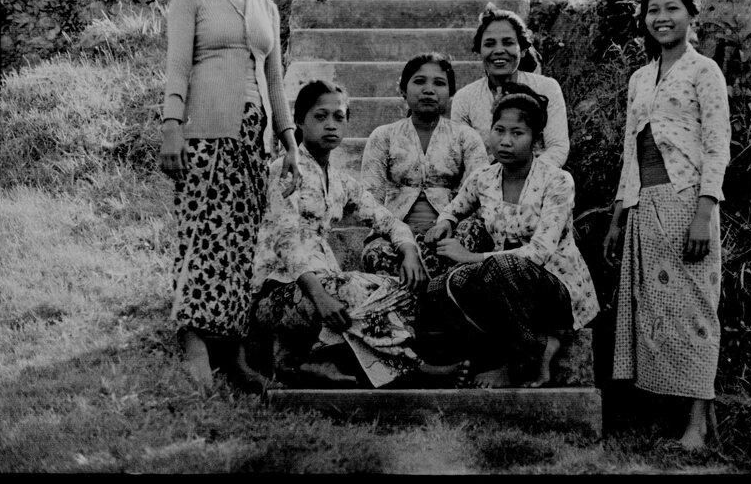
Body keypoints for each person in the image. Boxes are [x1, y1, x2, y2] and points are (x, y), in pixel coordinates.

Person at [159, 0, 300, 392]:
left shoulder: (266, 8)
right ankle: (193, 341)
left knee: (240, 246)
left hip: (252, 142)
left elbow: (275, 80)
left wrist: (289, 142)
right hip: (202, 134)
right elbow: (178, 66)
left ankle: (234, 352)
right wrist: (171, 125)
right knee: (202, 236)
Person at [250, 80, 469, 389]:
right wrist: (320, 296)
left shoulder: (341, 181)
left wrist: (409, 251)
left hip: (325, 287)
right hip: (282, 292)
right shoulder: (285, 170)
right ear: (299, 121)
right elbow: (285, 242)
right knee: (353, 286)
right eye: (320, 116)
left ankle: (318, 358)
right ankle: (412, 368)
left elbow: (388, 221)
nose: (330, 125)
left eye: (338, 117)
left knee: (404, 287)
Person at [602, 0, 731, 450]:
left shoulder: (704, 71)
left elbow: (717, 145)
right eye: (653, 9)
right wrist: (618, 217)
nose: (662, 18)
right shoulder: (640, 78)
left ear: (691, 15)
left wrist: (704, 212)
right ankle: (691, 416)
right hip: (645, 207)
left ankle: (696, 425)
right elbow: (630, 151)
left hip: (688, 203)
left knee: (696, 311)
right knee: (660, 313)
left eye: (672, 8)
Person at [423, 85, 600, 388]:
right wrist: (445, 222)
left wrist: (472, 257)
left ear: (535, 140)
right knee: (443, 286)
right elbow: (455, 207)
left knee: (500, 267)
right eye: (499, 130)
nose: (505, 141)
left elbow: (540, 252)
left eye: (517, 133)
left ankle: (522, 362)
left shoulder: (557, 181)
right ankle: (523, 346)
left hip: (555, 288)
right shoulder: (484, 178)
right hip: (505, 286)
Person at [360, 53, 490, 278]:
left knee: (473, 234)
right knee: (376, 253)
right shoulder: (383, 136)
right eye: (419, 81)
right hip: (397, 239)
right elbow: (369, 203)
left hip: (451, 234)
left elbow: (482, 193)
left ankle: (423, 287)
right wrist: (402, 237)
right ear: (403, 90)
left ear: (451, 93)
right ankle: (437, 285)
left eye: (439, 83)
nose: (429, 90)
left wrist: (449, 222)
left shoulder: (466, 137)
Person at [450, 3, 570, 168]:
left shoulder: (547, 88)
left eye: (508, 43)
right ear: (479, 51)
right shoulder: (465, 98)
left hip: (538, 176)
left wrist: (526, 177)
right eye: (490, 44)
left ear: (523, 50)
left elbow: (557, 147)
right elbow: (466, 155)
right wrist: (495, 179)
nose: (499, 50)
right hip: (484, 178)